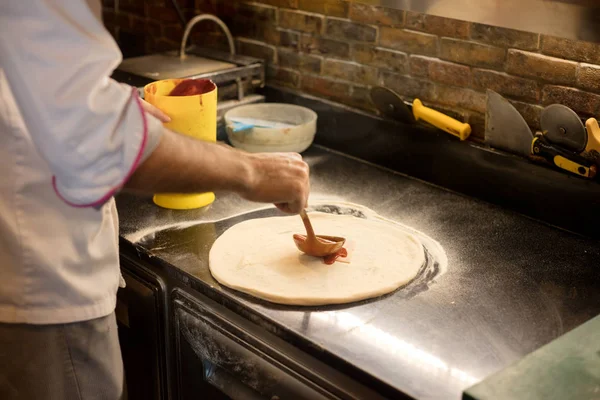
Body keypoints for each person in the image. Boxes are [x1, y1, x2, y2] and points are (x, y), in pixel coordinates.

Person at [0, 1, 310, 399]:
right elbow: (94, 143)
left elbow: (30, 78)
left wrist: (102, 103)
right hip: (36, 282)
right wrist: (251, 172)